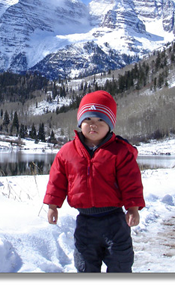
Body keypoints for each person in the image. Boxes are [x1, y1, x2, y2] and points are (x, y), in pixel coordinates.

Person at [43, 90, 145, 272]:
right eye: (88, 120)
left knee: (120, 264)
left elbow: (131, 182)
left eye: (100, 120)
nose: (93, 125)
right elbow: (57, 180)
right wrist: (52, 205)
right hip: (85, 223)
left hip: (115, 221)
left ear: (110, 125)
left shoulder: (119, 152)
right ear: (80, 122)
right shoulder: (67, 152)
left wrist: (133, 208)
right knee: (85, 266)